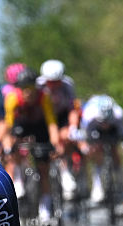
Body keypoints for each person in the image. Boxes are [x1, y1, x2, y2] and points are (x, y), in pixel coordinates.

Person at [0, 66, 61, 223]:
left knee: (44, 169)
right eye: (25, 88)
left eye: (32, 88)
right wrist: (7, 146)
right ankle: (17, 177)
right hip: (21, 126)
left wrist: (55, 143)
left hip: (40, 127)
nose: (29, 92)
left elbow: (51, 123)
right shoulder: (12, 98)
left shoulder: (44, 97)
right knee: (12, 148)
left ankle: (45, 209)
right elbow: (9, 124)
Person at [37, 59, 81, 197]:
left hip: (61, 115)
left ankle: (65, 170)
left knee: (66, 136)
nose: (54, 85)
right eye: (51, 82)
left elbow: (72, 108)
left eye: (57, 81)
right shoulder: (38, 86)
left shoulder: (68, 85)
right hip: (44, 118)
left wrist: (73, 127)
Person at [76, 94, 123, 204]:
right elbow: (85, 136)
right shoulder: (89, 115)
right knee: (96, 151)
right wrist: (87, 146)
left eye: (107, 122)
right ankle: (98, 186)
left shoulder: (118, 114)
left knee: (114, 150)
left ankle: (120, 182)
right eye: (103, 122)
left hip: (113, 129)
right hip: (94, 129)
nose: (105, 124)